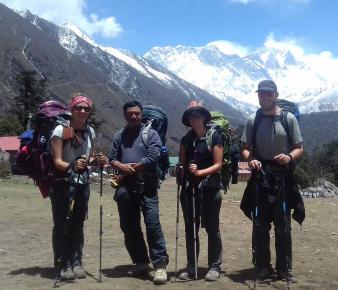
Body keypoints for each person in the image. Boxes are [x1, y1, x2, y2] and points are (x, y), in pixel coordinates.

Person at [241, 80, 304, 282]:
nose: (265, 97)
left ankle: (284, 269)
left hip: (282, 176)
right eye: (261, 94)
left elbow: (299, 147)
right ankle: (262, 267)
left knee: (283, 225)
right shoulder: (253, 119)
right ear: (258, 95)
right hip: (261, 176)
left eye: (268, 94)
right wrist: (251, 160)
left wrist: (290, 157)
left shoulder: (288, 118)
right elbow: (244, 147)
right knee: (260, 224)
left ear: (276, 94)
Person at [109, 100, 169, 284]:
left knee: (152, 225)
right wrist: (121, 166)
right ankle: (141, 262)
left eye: (136, 113)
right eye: (130, 114)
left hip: (147, 187)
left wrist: (129, 170)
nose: (133, 116)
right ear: (125, 115)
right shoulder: (120, 135)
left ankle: (160, 266)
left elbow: (153, 157)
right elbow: (112, 157)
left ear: (141, 114)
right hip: (126, 188)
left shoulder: (151, 134)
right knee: (129, 226)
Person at [50, 94, 107, 280]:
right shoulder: (61, 130)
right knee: (62, 225)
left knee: (77, 224)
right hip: (62, 185)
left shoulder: (89, 131)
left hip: (82, 184)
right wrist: (72, 166)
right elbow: (57, 161)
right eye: (78, 108)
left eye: (86, 109)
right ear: (71, 109)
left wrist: (95, 161)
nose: (82, 111)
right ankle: (62, 263)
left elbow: (86, 159)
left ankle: (76, 261)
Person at [178, 103, 224, 281]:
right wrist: (182, 170)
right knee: (191, 229)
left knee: (212, 228)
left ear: (204, 117)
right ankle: (192, 267)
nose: (194, 118)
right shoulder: (186, 140)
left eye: (197, 115)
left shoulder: (215, 136)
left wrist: (200, 172)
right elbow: (182, 163)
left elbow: (218, 165)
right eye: (191, 116)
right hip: (190, 189)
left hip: (210, 189)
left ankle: (214, 266)